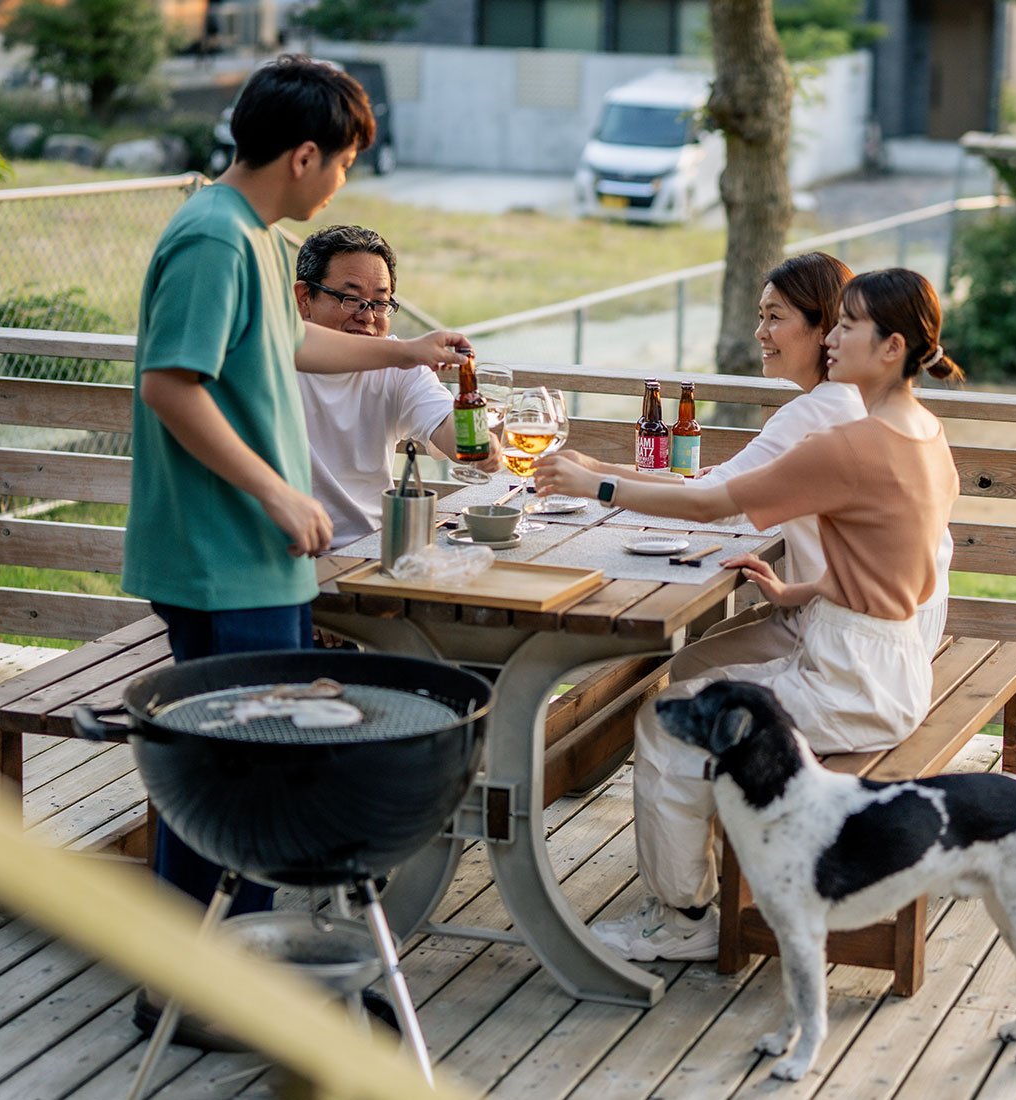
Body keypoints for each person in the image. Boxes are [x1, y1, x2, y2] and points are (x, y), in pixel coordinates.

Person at [122, 56, 471, 931]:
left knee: (222, 771)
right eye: (348, 158)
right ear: (307, 155)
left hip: (249, 558)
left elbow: (299, 347)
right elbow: (171, 385)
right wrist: (278, 492)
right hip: (226, 552)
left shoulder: (251, 237)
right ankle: (217, 981)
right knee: (244, 778)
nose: (349, 176)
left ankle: (199, 973)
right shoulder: (213, 239)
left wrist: (409, 351)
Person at [534, 268, 962, 962]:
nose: (833, 342)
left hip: (852, 681)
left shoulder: (850, 443)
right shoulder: (923, 431)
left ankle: (682, 918)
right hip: (888, 663)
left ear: (891, 347)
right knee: (698, 683)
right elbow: (901, 573)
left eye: (847, 327)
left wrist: (598, 483)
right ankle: (702, 874)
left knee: (670, 722)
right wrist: (802, 593)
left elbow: (712, 503)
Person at [292, 224, 500, 549]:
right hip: (282, 554)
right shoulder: (271, 355)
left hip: (371, 550)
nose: (367, 316)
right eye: (351, 299)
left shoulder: (399, 367)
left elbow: (449, 433)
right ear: (305, 298)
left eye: (379, 303)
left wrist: (479, 446)